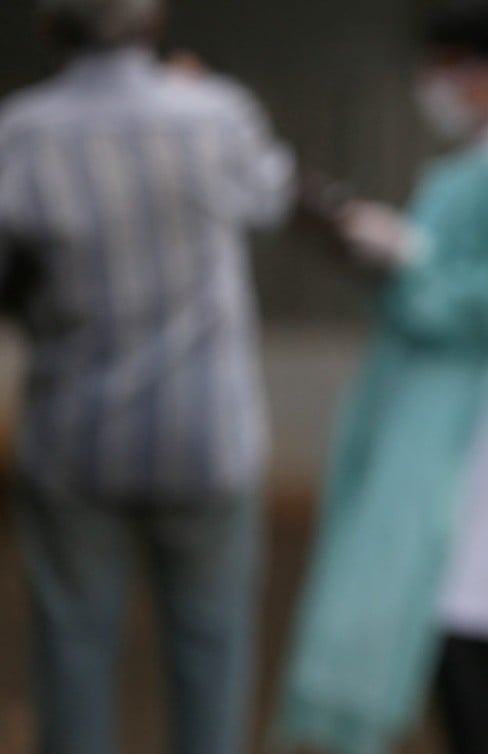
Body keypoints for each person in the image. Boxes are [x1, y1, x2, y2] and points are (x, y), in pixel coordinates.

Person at [276, 4, 488, 754]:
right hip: (455, 408)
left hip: (474, 415)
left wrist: (404, 257)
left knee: (454, 610)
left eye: (450, 65)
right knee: (455, 614)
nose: (436, 85)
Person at [0, 0, 295, 752]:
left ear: (49, 27)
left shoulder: (23, 134)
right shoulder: (215, 115)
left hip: (74, 438)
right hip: (206, 435)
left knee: (74, 654)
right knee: (212, 652)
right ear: (154, 20)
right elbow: (272, 194)